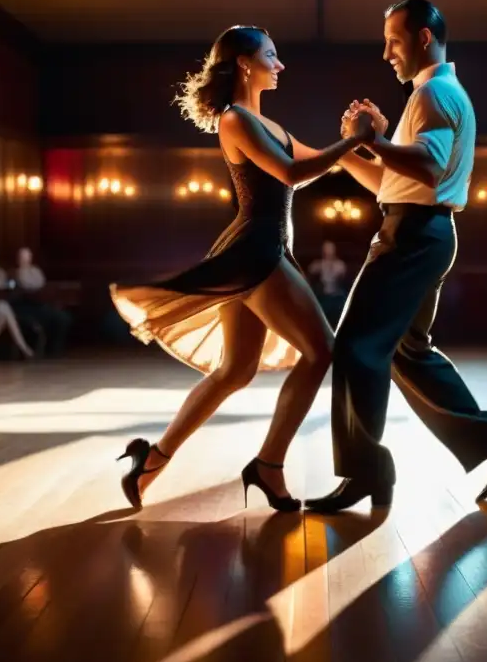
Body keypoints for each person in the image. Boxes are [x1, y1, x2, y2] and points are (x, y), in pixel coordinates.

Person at [110, 25, 374, 511]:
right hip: (257, 250)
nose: (281, 65)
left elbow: (318, 162)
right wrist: (351, 143)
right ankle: (269, 465)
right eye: (272, 56)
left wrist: (356, 143)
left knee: (235, 370)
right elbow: (293, 174)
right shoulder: (235, 120)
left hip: (264, 248)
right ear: (246, 63)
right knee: (321, 351)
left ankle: (151, 461)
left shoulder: (269, 125)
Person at [304, 0, 487, 514]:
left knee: (357, 345)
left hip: (411, 235)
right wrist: (354, 151)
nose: (386, 52)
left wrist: (376, 139)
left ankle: (367, 471)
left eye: (394, 40)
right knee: (407, 352)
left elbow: (426, 168)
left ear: (423, 38)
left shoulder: (433, 92)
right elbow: (392, 182)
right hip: (423, 231)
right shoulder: (432, 94)